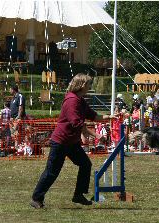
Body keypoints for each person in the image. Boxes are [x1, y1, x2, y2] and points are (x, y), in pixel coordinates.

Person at [30, 73, 117, 209]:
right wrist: (96, 135)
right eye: (89, 84)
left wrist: (110, 117)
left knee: (85, 164)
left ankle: (78, 195)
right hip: (60, 142)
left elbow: (93, 115)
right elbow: (77, 123)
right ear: (82, 85)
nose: (90, 87)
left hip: (71, 143)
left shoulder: (80, 100)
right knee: (52, 172)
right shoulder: (72, 100)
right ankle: (36, 198)